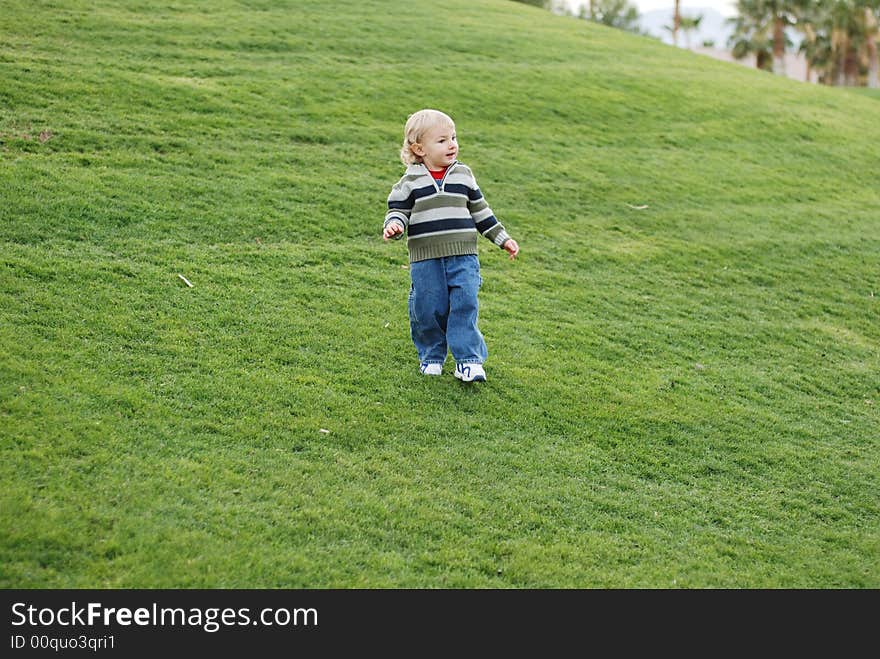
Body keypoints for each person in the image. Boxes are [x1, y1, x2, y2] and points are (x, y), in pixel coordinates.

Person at [383, 109, 519, 382]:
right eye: (442, 140)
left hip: (463, 256)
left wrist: (502, 238)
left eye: (454, 137)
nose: (452, 144)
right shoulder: (408, 182)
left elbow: (481, 212)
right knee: (428, 307)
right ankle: (432, 356)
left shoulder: (464, 176)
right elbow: (397, 211)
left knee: (465, 304)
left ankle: (468, 361)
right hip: (426, 258)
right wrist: (394, 226)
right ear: (419, 148)